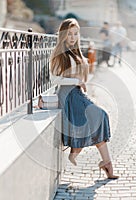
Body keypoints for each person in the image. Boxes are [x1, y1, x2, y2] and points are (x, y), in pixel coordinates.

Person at [50, 18, 118, 179]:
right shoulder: (60, 53)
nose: (72, 37)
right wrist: (76, 81)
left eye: (75, 33)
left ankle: (105, 162)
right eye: (69, 34)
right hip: (68, 96)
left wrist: (81, 75)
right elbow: (54, 79)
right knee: (99, 116)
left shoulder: (76, 52)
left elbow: (81, 77)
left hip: (77, 93)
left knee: (100, 117)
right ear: (63, 35)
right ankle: (78, 149)